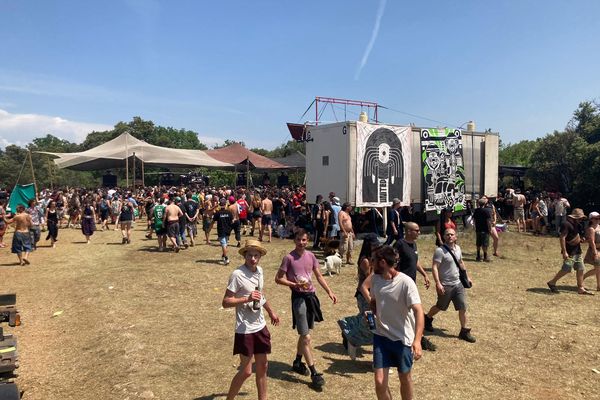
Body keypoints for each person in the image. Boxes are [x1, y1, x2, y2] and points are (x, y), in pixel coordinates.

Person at [275, 229, 337, 388]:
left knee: (304, 336)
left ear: (307, 240)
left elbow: (319, 276)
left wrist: (329, 291)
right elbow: (278, 279)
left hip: (311, 297)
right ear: (294, 240)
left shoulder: (311, 256)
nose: (301, 242)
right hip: (298, 299)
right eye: (298, 240)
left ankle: (297, 361)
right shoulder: (288, 258)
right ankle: (314, 372)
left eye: (304, 240)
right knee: (306, 336)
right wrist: (293, 284)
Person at [222, 239, 280, 400]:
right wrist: (245, 299)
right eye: (250, 255)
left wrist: (270, 311)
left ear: (260, 256)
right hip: (244, 329)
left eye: (256, 255)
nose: (253, 259)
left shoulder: (260, 271)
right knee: (247, 371)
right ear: (244, 256)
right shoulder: (237, 275)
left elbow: (260, 295)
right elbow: (226, 302)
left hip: (260, 326)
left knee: (263, 366)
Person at [370, 245, 424, 400]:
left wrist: (418, 340)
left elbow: (419, 311)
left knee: (405, 378)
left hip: (402, 339)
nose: (370, 263)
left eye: (373, 260)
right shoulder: (375, 279)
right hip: (381, 337)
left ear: (382, 263)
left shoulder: (406, 283)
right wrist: (373, 312)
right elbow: (374, 300)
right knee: (380, 382)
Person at [424, 228, 476, 343]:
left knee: (462, 307)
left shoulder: (458, 249)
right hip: (446, 285)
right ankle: (427, 318)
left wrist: (467, 277)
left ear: (455, 237)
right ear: (444, 237)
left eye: (452, 234)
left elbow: (461, 262)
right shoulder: (440, 251)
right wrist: (438, 283)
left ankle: (464, 331)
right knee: (440, 307)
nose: (450, 236)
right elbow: (434, 267)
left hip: (458, 284)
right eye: (447, 234)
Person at [394, 222, 436, 352]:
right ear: (408, 231)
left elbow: (414, 260)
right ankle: (417, 338)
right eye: (416, 230)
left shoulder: (414, 244)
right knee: (408, 311)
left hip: (411, 284)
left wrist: (424, 274)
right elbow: (393, 262)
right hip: (400, 284)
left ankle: (418, 337)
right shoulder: (400, 244)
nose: (419, 232)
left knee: (412, 311)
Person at [338, 233, 380, 360]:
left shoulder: (373, 257)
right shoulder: (365, 261)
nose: (376, 246)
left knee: (366, 318)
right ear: (368, 245)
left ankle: (349, 329)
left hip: (372, 293)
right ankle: (351, 334)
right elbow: (370, 279)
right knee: (369, 321)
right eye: (374, 245)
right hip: (364, 295)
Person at [547, 208, 594, 295]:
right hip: (569, 251)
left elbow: (578, 235)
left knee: (580, 269)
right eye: (579, 218)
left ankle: (581, 288)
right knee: (566, 269)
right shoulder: (566, 224)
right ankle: (552, 282)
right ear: (574, 217)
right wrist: (564, 251)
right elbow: (562, 237)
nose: (580, 220)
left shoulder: (578, 225)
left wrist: (582, 239)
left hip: (577, 251)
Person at [583, 211, 600, 291]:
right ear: (591, 219)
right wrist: (595, 253)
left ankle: (599, 286)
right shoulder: (591, 229)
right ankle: (582, 277)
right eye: (596, 218)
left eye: (599, 218)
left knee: (598, 269)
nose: (598, 219)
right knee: (598, 269)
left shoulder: (599, 227)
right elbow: (592, 241)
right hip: (595, 250)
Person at [214, 197, 234, 264]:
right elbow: (232, 221)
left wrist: (209, 229)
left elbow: (213, 221)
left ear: (219, 205)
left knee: (223, 244)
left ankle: (226, 258)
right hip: (228, 230)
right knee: (225, 244)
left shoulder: (218, 213)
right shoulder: (229, 213)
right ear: (225, 204)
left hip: (221, 230)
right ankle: (223, 255)